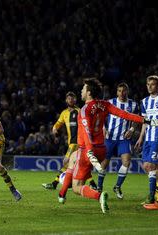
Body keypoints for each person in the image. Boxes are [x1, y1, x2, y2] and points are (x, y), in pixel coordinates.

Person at [59, 78, 147, 213]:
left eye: (83, 89)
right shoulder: (104, 104)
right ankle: (62, 194)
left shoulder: (84, 110)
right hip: (101, 149)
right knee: (72, 158)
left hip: (88, 150)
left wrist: (89, 152)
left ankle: (99, 196)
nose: (81, 91)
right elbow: (124, 114)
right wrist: (144, 120)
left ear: (88, 93)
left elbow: (87, 132)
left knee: (77, 187)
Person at [42, 92, 97, 190]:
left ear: (75, 100)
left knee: (66, 161)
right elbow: (58, 124)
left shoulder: (79, 111)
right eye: (69, 99)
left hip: (77, 142)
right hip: (71, 142)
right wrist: (55, 129)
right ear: (66, 100)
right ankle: (92, 183)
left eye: (72, 98)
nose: (70, 100)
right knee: (76, 164)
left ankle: (57, 183)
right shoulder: (64, 113)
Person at [97, 83, 139, 199]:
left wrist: (131, 129)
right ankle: (99, 187)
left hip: (124, 139)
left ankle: (117, 186)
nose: (122, 93)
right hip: (109, 138)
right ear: (116, 92)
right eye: (119, 91)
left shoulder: (133, 105)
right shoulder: (110, 103)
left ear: (127, 92)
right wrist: (103, 128)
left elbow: (137, 118)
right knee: (104, 164)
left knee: (126, 162)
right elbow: (101, 116)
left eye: (124, 91)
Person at [134, 75, 158, 204]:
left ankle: (152, 197)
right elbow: (145, 122)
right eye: (148, 84)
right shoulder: (144, 101)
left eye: (152, 84)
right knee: (148, 166)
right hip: (148, 137)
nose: (149, 86)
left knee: (150, 165)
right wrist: (141, 137)